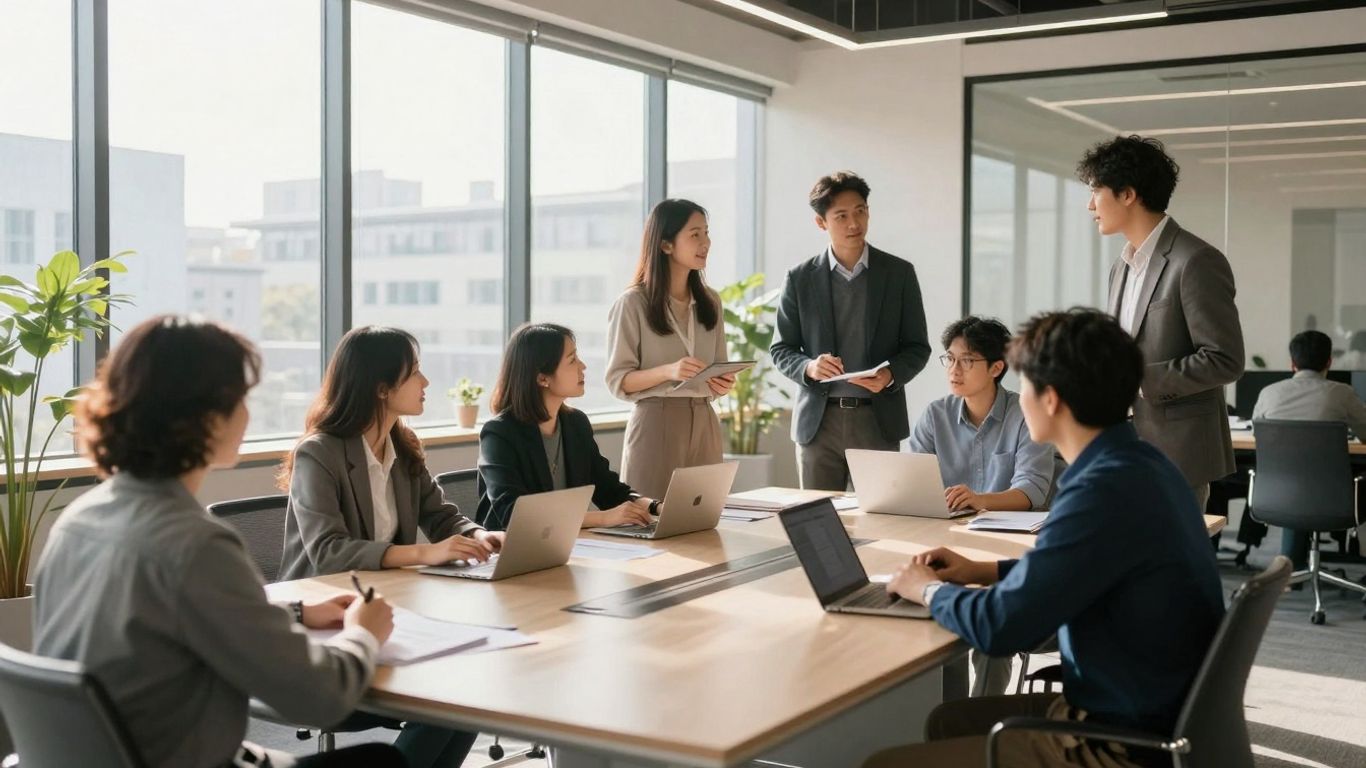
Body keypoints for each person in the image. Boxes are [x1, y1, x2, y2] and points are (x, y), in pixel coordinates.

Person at [32, 315, 403, 768]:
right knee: (383, 763)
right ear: (205, 417)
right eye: (240, 398)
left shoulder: (79, 519)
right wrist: (363, 632)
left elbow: (160, 618)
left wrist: (293, 612)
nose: (248, 414)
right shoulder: (196, 544)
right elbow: (319, 699)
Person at [871, 308, 1225, 768]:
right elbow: (1078, 567)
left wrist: (927, 589)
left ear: (1052, 398)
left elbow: (1001, 628)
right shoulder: (1142, 465)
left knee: (884, 764)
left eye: (1028, 386)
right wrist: (982, 569)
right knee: (948, 722)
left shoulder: (1096, 491)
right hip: (1154, 707)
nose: (1020, 400)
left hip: (1114, 738)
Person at [279, 325, 499, 767]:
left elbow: (440, 516)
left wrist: (479, 535)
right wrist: (422, 553)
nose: (426, 383)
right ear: (381, 388)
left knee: (470, 686)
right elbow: (329, 552)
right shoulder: (318, 453)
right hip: (328, 622)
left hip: (392, 613)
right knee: (451, 697)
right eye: (414, 372)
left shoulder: (403, 443)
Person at [1080, 135, 1245, 513]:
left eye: (1095, 192)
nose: (1090, 206)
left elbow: (1225, 359)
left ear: (1127, 194)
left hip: (1178, 453)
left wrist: (1136, 378)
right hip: (1121, 447)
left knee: (1170, 567)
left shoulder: (1196, 260)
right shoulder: (1120, 268)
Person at [908, 316, 1055, 697]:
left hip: (1007, 543)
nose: (954, 370)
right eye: (950, 359)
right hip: (947, 538)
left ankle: (979, 714)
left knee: (990, 609)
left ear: (995, 368)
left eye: (967, 361)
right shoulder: (935, 415)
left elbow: (1033, 490)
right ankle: (949, 711)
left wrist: (981, 500)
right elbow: (913, 482)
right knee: (929, 603)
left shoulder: (1024, 413)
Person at [770, 171, 931, 491]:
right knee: (817, 522)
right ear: (821, 223)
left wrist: (889, 375)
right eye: (841, 216)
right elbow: (781, 349)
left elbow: (917, 346)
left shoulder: (898, 274)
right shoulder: (799, 278)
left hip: (877, 420)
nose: (854, 223)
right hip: (818, 424)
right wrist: (809, 367)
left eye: (860, 211)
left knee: (880, 525)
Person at [605, 199, 733, 500]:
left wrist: (722, 383)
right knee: (650, 523)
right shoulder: (632, 304)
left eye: (707, 233)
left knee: (703, 521)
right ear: (665, 245)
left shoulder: (710, 302)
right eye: (695, 234)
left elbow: (720, 368)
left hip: (705, 420)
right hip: (656, 422)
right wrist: (669, 371)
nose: (706, 243)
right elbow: (618, 381)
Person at [478, 323, 655, 530]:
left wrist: (656, 507)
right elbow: (514, 513)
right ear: (542, 378)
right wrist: (602, 518)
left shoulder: (575, 424)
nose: (583, 367)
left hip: (568, 545)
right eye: (572, 360)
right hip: (511, 552)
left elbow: (609, 489)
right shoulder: (499, 433)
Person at [1252, 330, 1366, 569]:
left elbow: (1258, 437)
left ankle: (1290, 569)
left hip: (1278, 496)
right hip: (1336, 498)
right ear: (1329, 362)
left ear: (1292, 363)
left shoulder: (1268, 394)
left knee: (1298, 479)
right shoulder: (1341, 393)